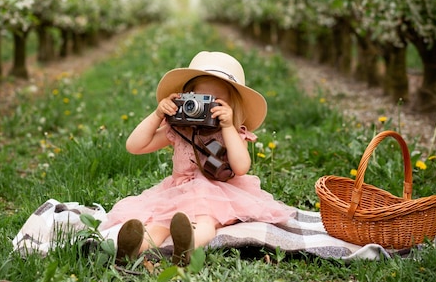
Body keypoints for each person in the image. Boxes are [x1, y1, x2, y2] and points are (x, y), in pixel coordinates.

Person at [99, 51, 296, 265]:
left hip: (217, 193)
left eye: (214, 102)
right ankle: (134, 248)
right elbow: (135, 146)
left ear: (230, 106)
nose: (204, 108)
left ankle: (187, 247)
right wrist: (158, 115)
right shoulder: (180, 129)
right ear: (186, 98)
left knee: (205, 221)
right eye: (198, 100)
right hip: (177, 191)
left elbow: (241, 167)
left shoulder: (229, 131)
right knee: (159, 223)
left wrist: (228, 126)